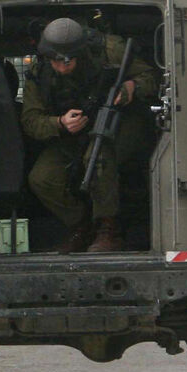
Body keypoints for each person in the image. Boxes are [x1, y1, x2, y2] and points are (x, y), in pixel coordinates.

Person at [21, 18, 158, 253]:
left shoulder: (110, 51)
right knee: (41, 178)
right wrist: (60, 123)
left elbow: (152, 78)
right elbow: (31, 121)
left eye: (67, 61)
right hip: (72, 134)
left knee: (98, 162)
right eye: (55, 61)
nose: (62, 68)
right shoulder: (39, 73)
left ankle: (108, 229)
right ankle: (82, 226)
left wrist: (131, 88)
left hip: (119, 123)